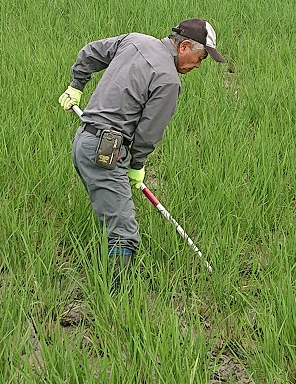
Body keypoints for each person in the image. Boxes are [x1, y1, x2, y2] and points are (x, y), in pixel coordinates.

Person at [58, 18, 225, 289]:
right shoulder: (169, 81)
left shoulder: (135, 40)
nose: (198, 65)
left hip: (83, 141)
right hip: (106, 153)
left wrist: (76, 86)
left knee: (111, 214)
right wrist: (136, 165)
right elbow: (148, 134)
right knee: (124, 233)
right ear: (184, 46)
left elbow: (90, 52)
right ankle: (116, 299)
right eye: (200, 58)